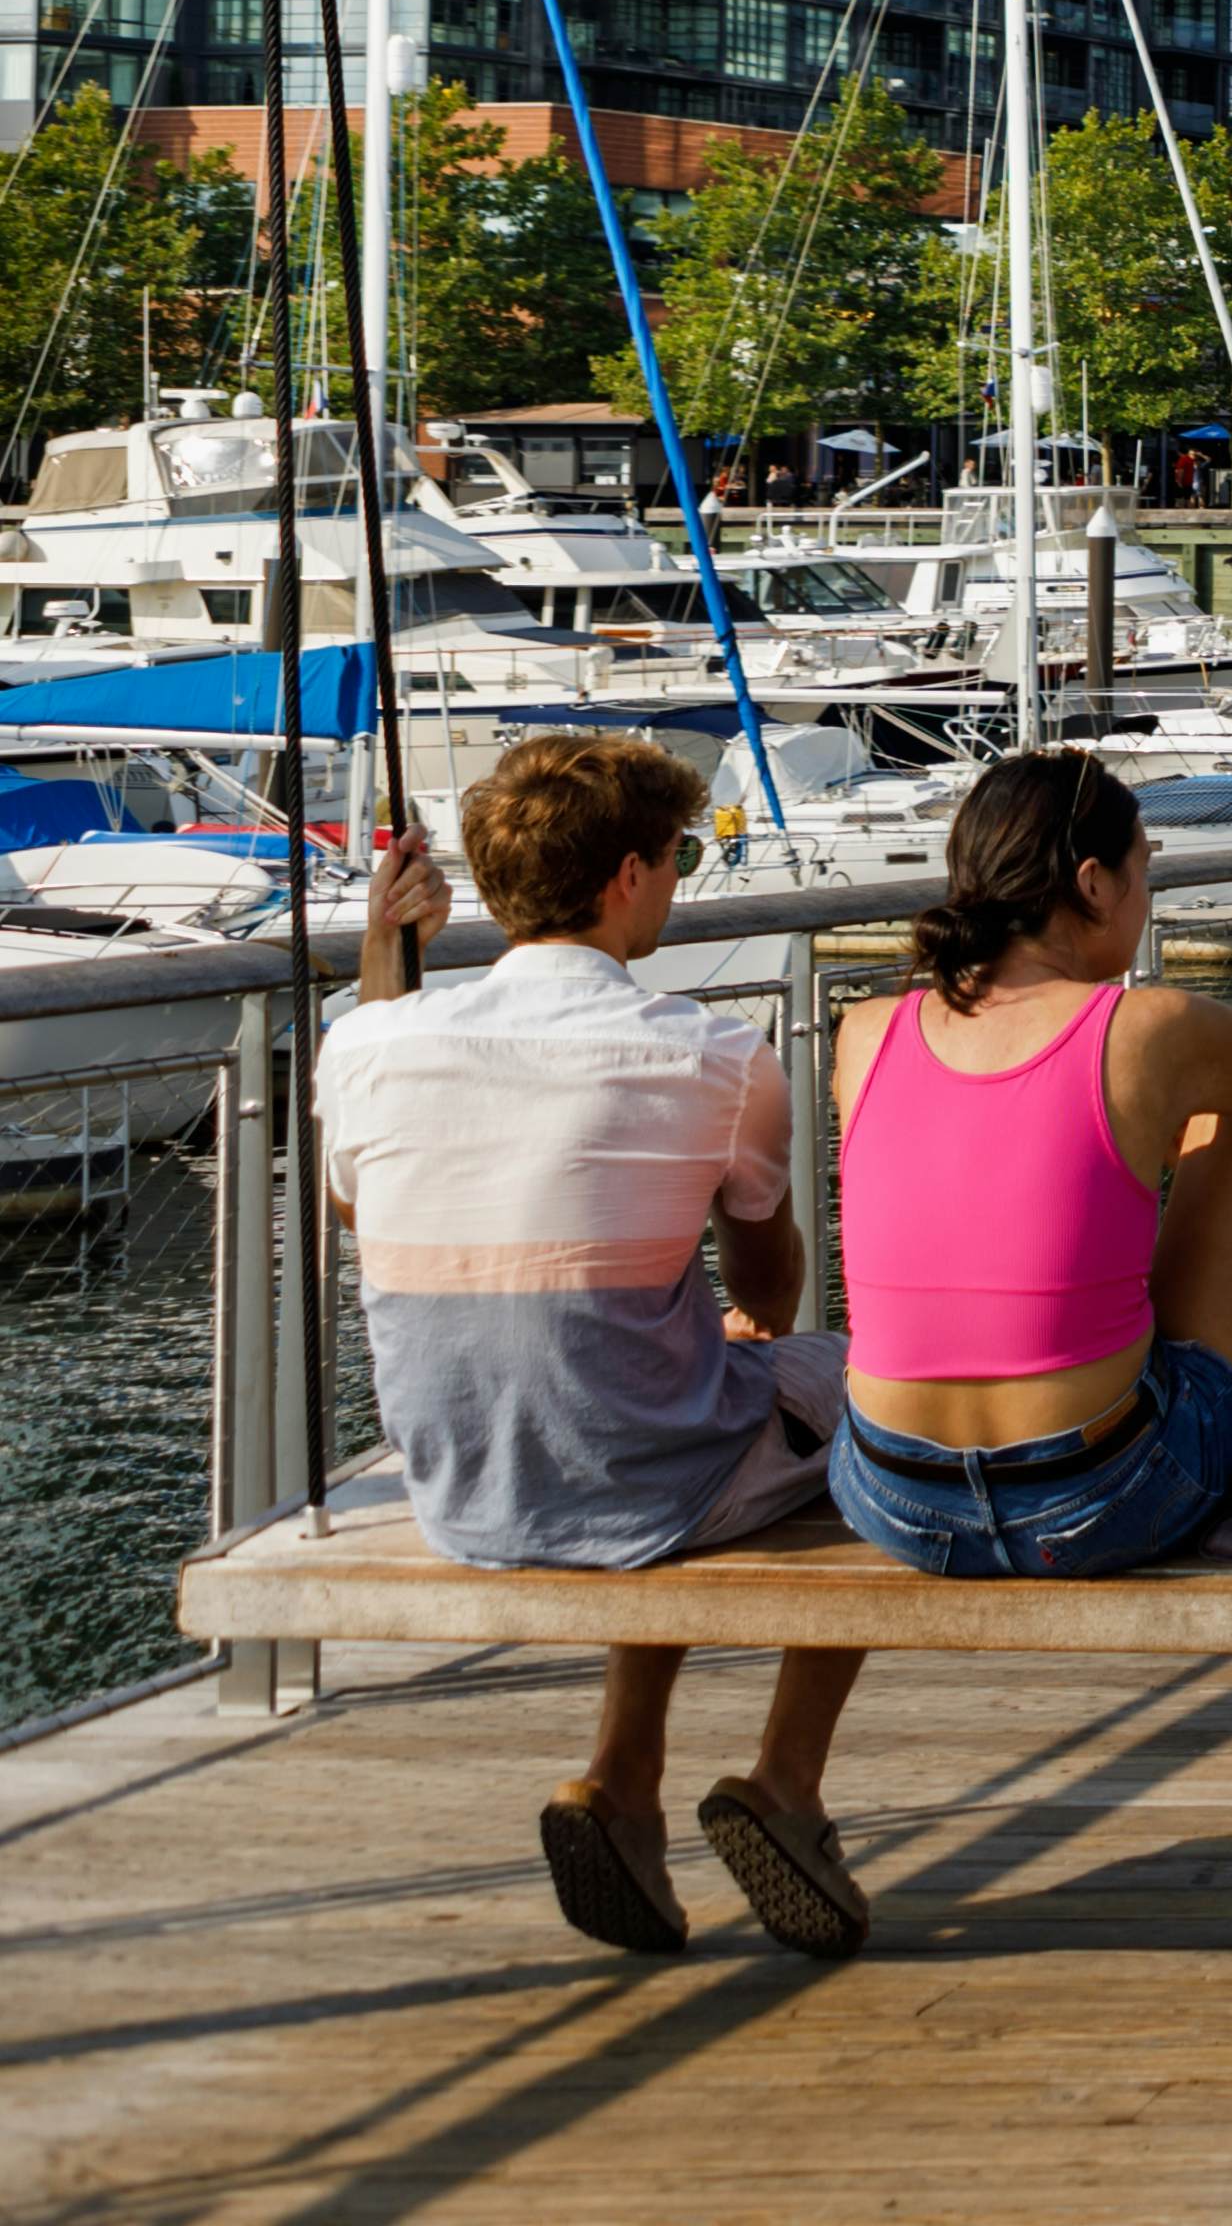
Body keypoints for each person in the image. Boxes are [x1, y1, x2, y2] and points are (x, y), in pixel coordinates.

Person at [320, 730, 874, 1965]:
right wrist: (756, 1327)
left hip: (462, 1489)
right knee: (886, 1399)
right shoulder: (715, 1053)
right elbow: (768, 1277)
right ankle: (786, 1781)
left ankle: (625, 1785)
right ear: (627, 875)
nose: (677, 879)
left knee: (668, 1397)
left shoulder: (366, 1041)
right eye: (675, 858)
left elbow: (362, 1201)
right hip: (639, 1470)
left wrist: (381, 954)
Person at [826, 750, 1232, 1589]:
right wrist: (1181, 1100)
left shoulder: (866, 1032)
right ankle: (1228, 1400)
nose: (1146, 896)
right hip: (1098, 1502)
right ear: (1093, 884)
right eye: (1144, 868)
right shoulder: (1148, 1027)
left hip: (894, 1497)